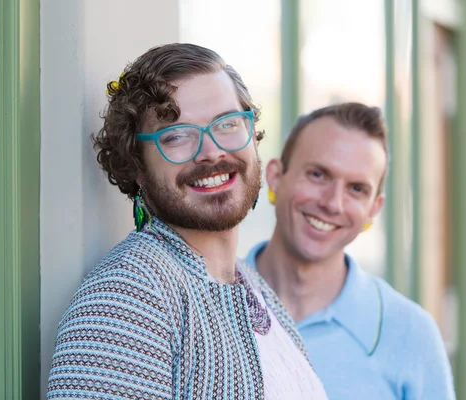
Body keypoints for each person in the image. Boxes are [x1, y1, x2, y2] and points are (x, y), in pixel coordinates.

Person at [46, 43, 328, 400]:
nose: (211, 152)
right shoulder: (127, 297)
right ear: (138, 166)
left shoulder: (251, 284)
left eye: (227, 124)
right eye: (177, 136)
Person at [245, 103, 456, 399]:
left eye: (357, 189)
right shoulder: (204, 303)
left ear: (373, 210)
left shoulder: (410, 334)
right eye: (318, 175)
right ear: (276, 177)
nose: (333, 203)